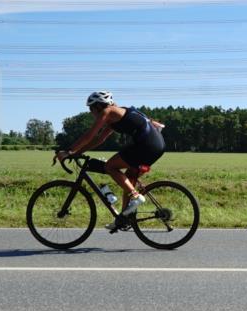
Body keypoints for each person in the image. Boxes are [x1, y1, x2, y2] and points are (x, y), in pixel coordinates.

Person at [55, 91, 165, 226]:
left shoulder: (108, 111)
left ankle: (136, 196)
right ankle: (123, 219)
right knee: (128, 180)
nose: (91, 112)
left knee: (110, 166)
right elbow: (99, 139)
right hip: (156, 144)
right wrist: (78, 152)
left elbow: (90, 135)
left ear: (98, 106)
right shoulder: (116, 113)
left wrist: (69, 151)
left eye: (91, 109)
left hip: (146, 144)